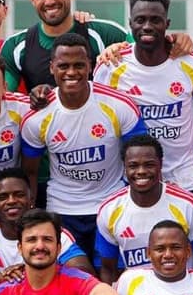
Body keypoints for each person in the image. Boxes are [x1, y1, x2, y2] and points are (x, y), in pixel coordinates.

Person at [20, 33, 148, 263]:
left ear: (90, 65)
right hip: (62, 209)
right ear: (51, 68)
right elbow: (30, 172)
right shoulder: (37, 118)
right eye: (63, 66)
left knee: (111, 276)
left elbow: (141, 156)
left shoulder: (119, 105)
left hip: (110, 206)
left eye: (79, 65)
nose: (71, 72)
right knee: (75, 278)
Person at [93, 0, 193, 209]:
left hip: (187, 179)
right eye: (140, 20)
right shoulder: (110, 68)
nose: (147, 26)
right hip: (134, 180)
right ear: (130, 23)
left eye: (155, 20)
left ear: (167, 23)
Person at [95, 135, 193, 284]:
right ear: (124, 168)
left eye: (149, 164)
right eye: (133, 166)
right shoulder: (109, 210)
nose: (141, 171)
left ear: (160, 165)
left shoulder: (188, 205)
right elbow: (109, 269)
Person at [0, 0, 128, 95]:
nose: (49, 1)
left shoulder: (106, 34)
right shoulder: (15, 46)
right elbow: (3, 98)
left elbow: (143, 58)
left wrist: (121, 48)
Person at [0, 168, 93, 281]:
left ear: (31, 199)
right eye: (3, 197)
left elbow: (84, 270)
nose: (11, 201)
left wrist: (33, 271)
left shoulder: (54, 233)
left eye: (19, 195)